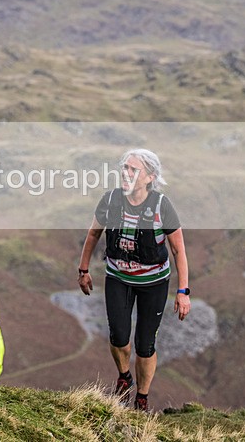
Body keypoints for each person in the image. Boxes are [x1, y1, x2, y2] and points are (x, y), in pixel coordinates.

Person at [77, 149, 191, 412]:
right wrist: (83, 270)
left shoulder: (162, 206)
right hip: (118, 278)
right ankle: (124, 377)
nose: (126, 173)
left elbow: (178, 250)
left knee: (145, 344)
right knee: (118, 336)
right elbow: (93, 234)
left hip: (154, 283)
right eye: (125, 167)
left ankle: (142, 397)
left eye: (133, 169)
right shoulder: (110, 200)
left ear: (150, 177)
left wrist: (183, 291)